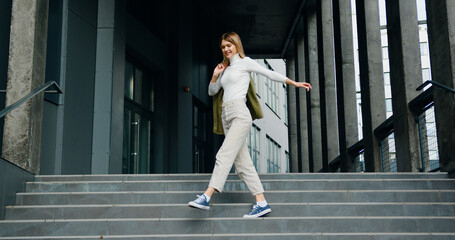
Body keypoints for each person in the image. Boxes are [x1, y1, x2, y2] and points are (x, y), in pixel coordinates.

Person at [188, 32, 311, 218]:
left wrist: (293, 82)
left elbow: (270, 73)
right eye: (223, 47)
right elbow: (212, 91)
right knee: (243, 165)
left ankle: (207, 196)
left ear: (237, 45)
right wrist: (215, 75)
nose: (226, 49)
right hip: (226, 115)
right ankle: (261, 202)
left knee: (223, 154)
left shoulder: (246, 62)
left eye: (229, 45)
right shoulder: (225, 69)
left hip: (239, 113)